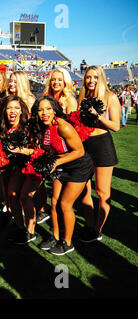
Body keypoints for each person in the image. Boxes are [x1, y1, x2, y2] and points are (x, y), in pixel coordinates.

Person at [26, 96, 94, 255]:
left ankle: (67, 242)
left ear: (55, 109)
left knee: (65, 204)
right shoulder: (42, 126)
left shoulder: (63, 126)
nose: (44, 112)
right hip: (61, 164)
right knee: (55, 202)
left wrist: (55, 163)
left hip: (79, 166)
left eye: (48, 108)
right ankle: (55, 237)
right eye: (41, 109)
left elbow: (79, 152)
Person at [77, 66, 121, 243]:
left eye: (95, 77)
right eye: (88, 77)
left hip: (102, 145)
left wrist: (99, 116)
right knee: (83, 189)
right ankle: (89, 225)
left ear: (101, 78)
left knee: (102, 191)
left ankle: (98, 229)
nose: (91, 80)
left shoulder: (110, 97)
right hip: (84, 146)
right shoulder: (82, 98)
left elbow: (116, 126)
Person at [0, 95, 31, 234]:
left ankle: (28, 229)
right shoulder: (2, 127)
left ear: (21, 111)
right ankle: (19, 226)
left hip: (27, 167)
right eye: (9, 108)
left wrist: (21, 150)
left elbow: (36, 150)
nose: (13, 111)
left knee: (21, 196)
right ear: (5, 111)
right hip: (10, 166)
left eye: (16, 108)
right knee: (11, 194)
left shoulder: (27, 127)